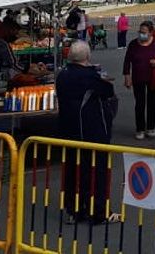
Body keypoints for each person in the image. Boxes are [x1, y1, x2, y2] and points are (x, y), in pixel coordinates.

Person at [56, 41, 120, 225]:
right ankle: (99, 211)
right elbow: (108, 90)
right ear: (87, 56)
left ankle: (74, 210)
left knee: (72, 171)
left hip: (68, 129)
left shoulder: (63, 75)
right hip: (92, 130)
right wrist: (96, 71)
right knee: (97, 172)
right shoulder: (90, 76)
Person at [123, 21, 155, 140]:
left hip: (153, 76)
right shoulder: (133, 44)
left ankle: (151, 127)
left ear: (151, 33)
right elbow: (127, 61)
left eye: (144, 32)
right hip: (138, 77)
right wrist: (127, 76)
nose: (141, 34)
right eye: (140, 32)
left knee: (152, 102)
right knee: (140, 104)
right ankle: (140, 128)